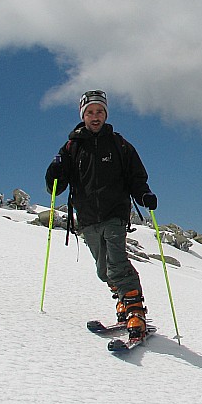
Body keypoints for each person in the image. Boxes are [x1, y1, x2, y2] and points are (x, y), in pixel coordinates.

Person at [46, 90, 158, 339]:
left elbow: (136, 177)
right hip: (87, 218)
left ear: (105, 114)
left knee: (117, 264)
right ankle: (123, 302)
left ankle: (136, 312)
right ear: (83, 116)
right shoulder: (71, 147)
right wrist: (53, 173)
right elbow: (57, 183)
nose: (95, 116)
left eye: (99, 112)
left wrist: (144, 195)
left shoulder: (119, 144)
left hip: (115, 213)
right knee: (103, 270)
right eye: (90, 112)